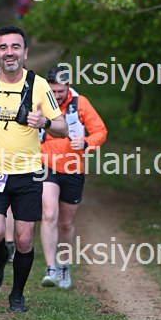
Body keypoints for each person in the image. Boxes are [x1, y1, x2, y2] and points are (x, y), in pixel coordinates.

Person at [0, 26, 68, 313]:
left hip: (27, 172)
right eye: (3, 47)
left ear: (25, 53)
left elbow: (62, 128)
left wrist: (44, 122)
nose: (10, 52)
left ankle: (17, 294)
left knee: (23, 239)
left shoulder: (39, 86)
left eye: (15, 47)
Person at [40, 64, 107, 289]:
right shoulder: (40, 101)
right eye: (53, 91)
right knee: (49, 213)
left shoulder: (81, 103)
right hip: (46, 165)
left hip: (73, 168)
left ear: (68, 86)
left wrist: (86, 142)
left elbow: (100, 131)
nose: (57, 95)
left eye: (61, 91)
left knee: (66, 223)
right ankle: (50, 268)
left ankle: (63, 266)